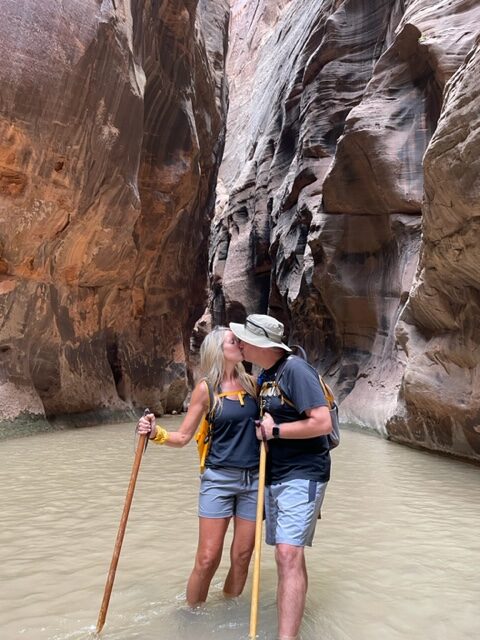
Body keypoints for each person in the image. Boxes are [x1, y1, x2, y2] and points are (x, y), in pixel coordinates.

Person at [136, 327, 259, 606]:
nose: (239, 343)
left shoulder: (253, 384)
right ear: (219, 350)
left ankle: (228, 610)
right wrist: (156, 433)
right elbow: (182, 437)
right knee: (207, 558)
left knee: (242, 556)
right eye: (233, 340)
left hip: (253, 481)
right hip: (218, 480)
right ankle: (191, 618)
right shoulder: (206, 390)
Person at [230, 314, 333, 640]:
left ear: (261, 343)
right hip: (275, 475)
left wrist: (276, 430)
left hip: (303, 472)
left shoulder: (296, 371)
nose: (240, 343)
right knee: (291, 553)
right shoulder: (265, 376)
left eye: (243, 339)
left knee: (287, 553)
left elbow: (322, 422)